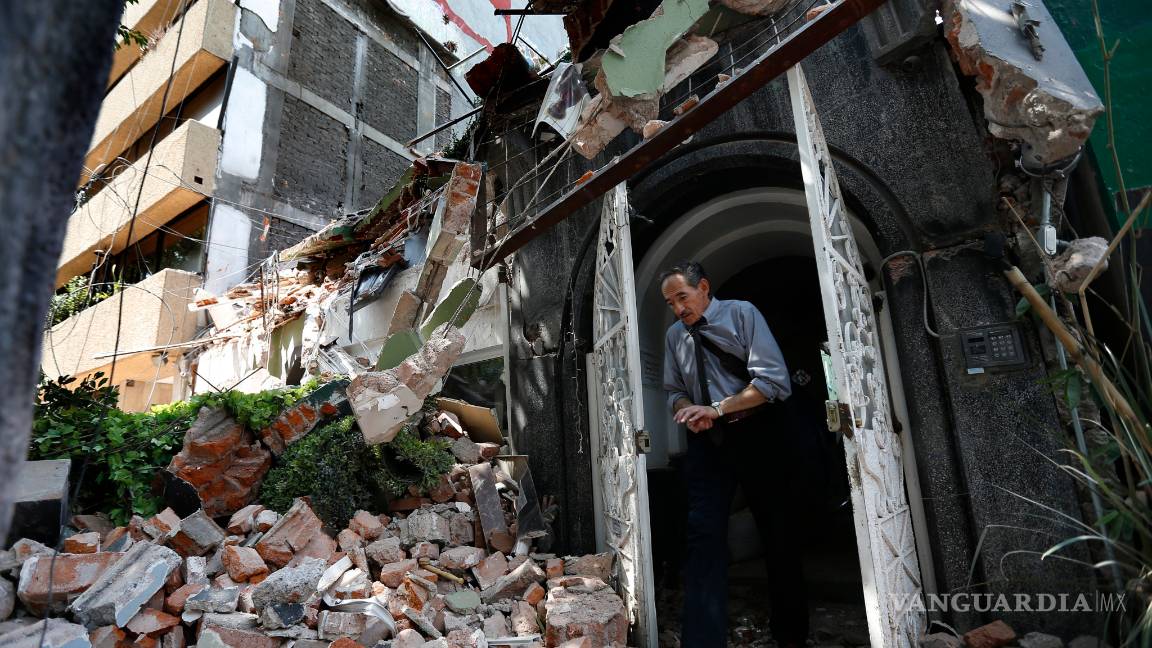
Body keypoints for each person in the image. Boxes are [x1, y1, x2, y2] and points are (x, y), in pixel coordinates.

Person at [661, 260, 809, 648]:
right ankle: (703, 640)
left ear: (704, 288)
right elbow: (673, 389)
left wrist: (719, 408)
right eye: (670, 303)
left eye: (683, 297)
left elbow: (774, 382)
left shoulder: (742, 314)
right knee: (702, 538)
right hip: (707, 443)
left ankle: (791, 636)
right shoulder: (675, 336)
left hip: (759, 434)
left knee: (778, 533)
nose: (678, 309)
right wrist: (686, 411)